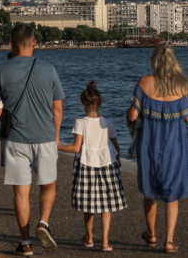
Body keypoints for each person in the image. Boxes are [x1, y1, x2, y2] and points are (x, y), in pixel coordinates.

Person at [0, 24, 65, 256]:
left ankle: (26, 242)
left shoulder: (1, 69)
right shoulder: (49, 70)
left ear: (11, 45)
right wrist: (56, 135)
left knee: (21, 192)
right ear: (34, 43)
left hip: (15, 139)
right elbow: (57, 108)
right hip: (45, 137)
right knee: (48, 185)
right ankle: (44, 223)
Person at [127, 45, 188, 254]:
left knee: (150, 191)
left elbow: (132, 116)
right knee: (171, 195)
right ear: (174, 62)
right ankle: (169, 240)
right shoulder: (182, 86)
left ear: (154, 62)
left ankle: (151, 234)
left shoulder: (144, 83)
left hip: (150, 144)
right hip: (175, 146)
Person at [57, 81, 126, 252]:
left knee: (89, 204)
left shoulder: (80, 122)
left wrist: (57, 146)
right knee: (106, 205)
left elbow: (75, 148)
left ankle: (89, 237)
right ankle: (105, 241)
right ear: (99, 103)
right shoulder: (108, 122)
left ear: (83, 104)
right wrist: (119, 159)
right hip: (107, 164)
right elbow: (115, 146)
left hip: (86, 165)